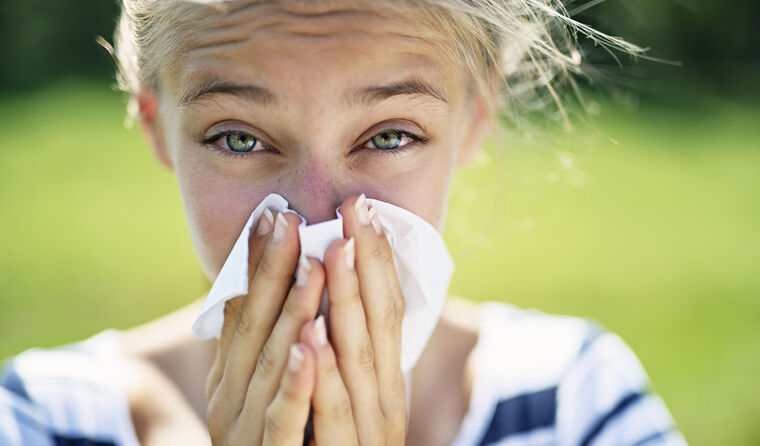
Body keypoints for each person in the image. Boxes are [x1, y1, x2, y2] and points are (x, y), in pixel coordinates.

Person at [0, 1, 687, 445]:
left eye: (388, 136)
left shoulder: (577, 404)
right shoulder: (38, 419)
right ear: (158, 128)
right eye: (239, 138)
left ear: (473, 122)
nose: (316, 220)